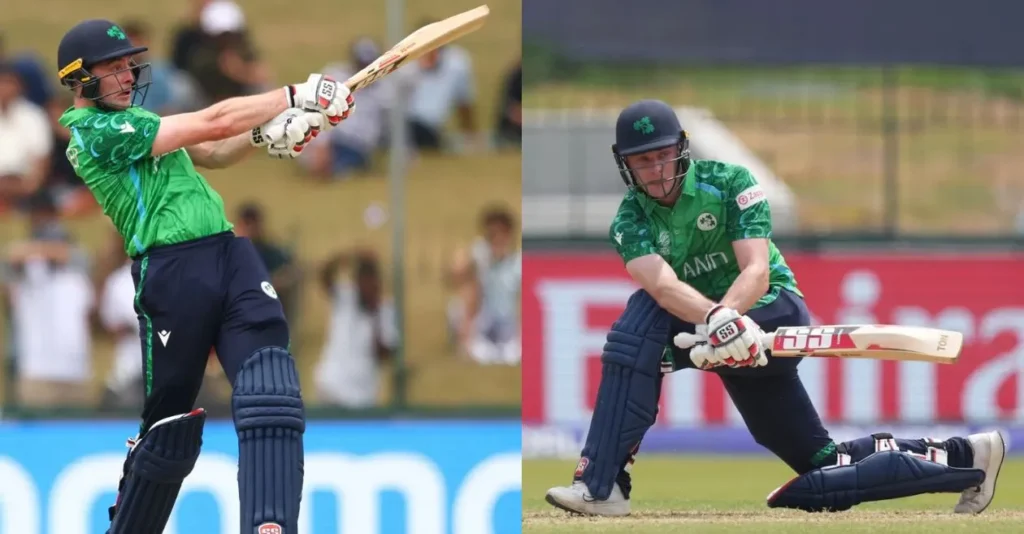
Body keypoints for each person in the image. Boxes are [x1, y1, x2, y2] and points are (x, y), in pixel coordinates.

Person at [544, 99, 1006, 517]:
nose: (657, 169)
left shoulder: (730, 183)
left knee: (637, 339)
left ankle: (603, 486)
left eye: (663, 154)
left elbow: (756, 270)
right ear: (625, 165)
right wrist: (714, 323)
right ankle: (969, 456)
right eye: (643, 161)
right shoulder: (630, 220)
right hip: (709, 329)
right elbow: (662, 286)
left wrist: (726, 317)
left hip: (772, 312)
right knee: (825, 466)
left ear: (682, 148)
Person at [54, 19, 354, 533]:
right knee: (168, 433)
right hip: (171, 273)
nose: (129, 75)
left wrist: (266, 132)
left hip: (227, 253)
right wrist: (295, 94)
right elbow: (213, 123)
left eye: (130, 64)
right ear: (80, 79)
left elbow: (214, 151)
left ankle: (269, 523)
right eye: (115, 67)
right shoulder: (94, 134)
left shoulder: (137, 120)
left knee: (270, 389)